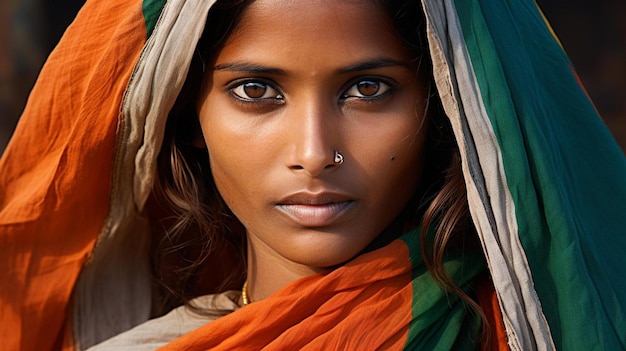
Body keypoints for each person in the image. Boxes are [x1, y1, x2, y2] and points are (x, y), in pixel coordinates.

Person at [1, 0, 624, 350]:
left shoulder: (537, 327)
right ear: (191, 116)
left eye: (368, 88)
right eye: (255, 89)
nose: (314, 151)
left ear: (443, 108)